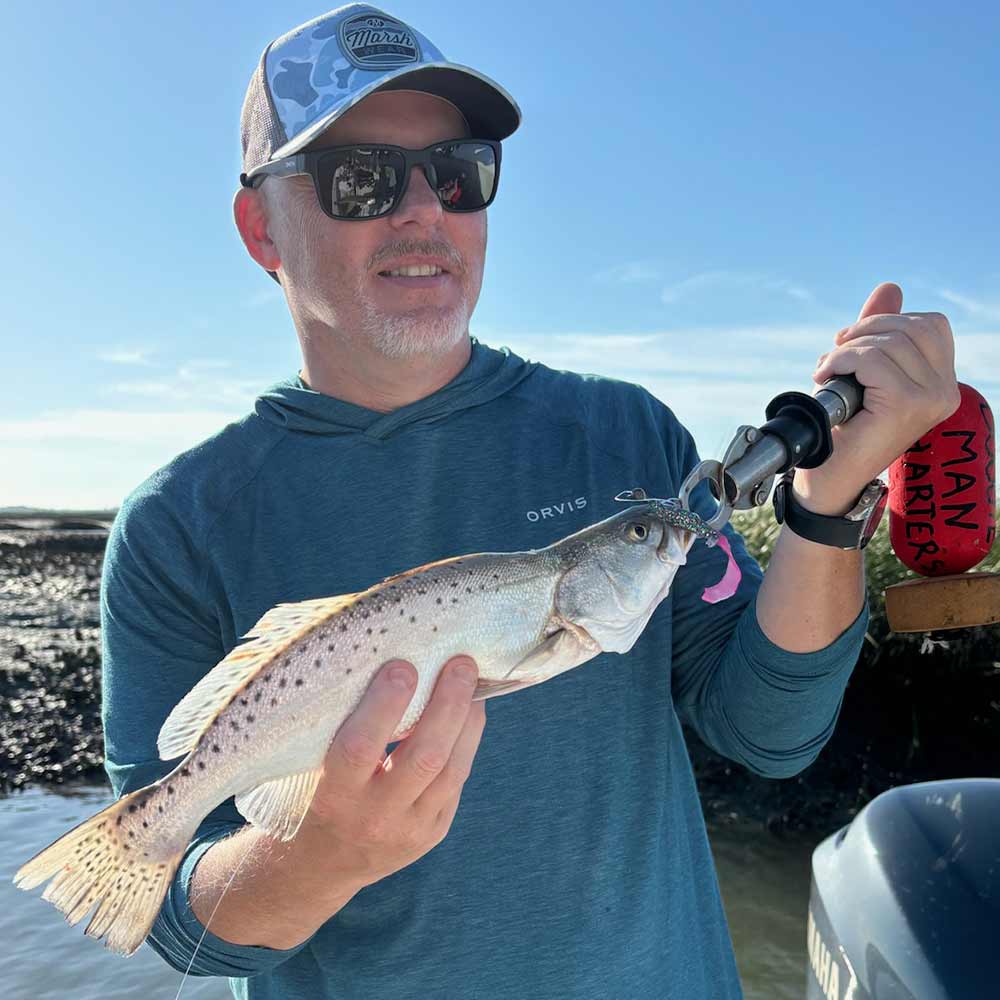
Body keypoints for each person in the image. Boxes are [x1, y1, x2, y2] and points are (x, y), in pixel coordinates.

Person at [101, 4, 960, 998]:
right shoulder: (174, 528)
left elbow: (769, 731)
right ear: (262, 230)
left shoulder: (626, 432)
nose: (422, 211)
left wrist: (827, 502)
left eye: (458, 172)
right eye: (360, 178)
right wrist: (321, 857)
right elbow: (176, 922)